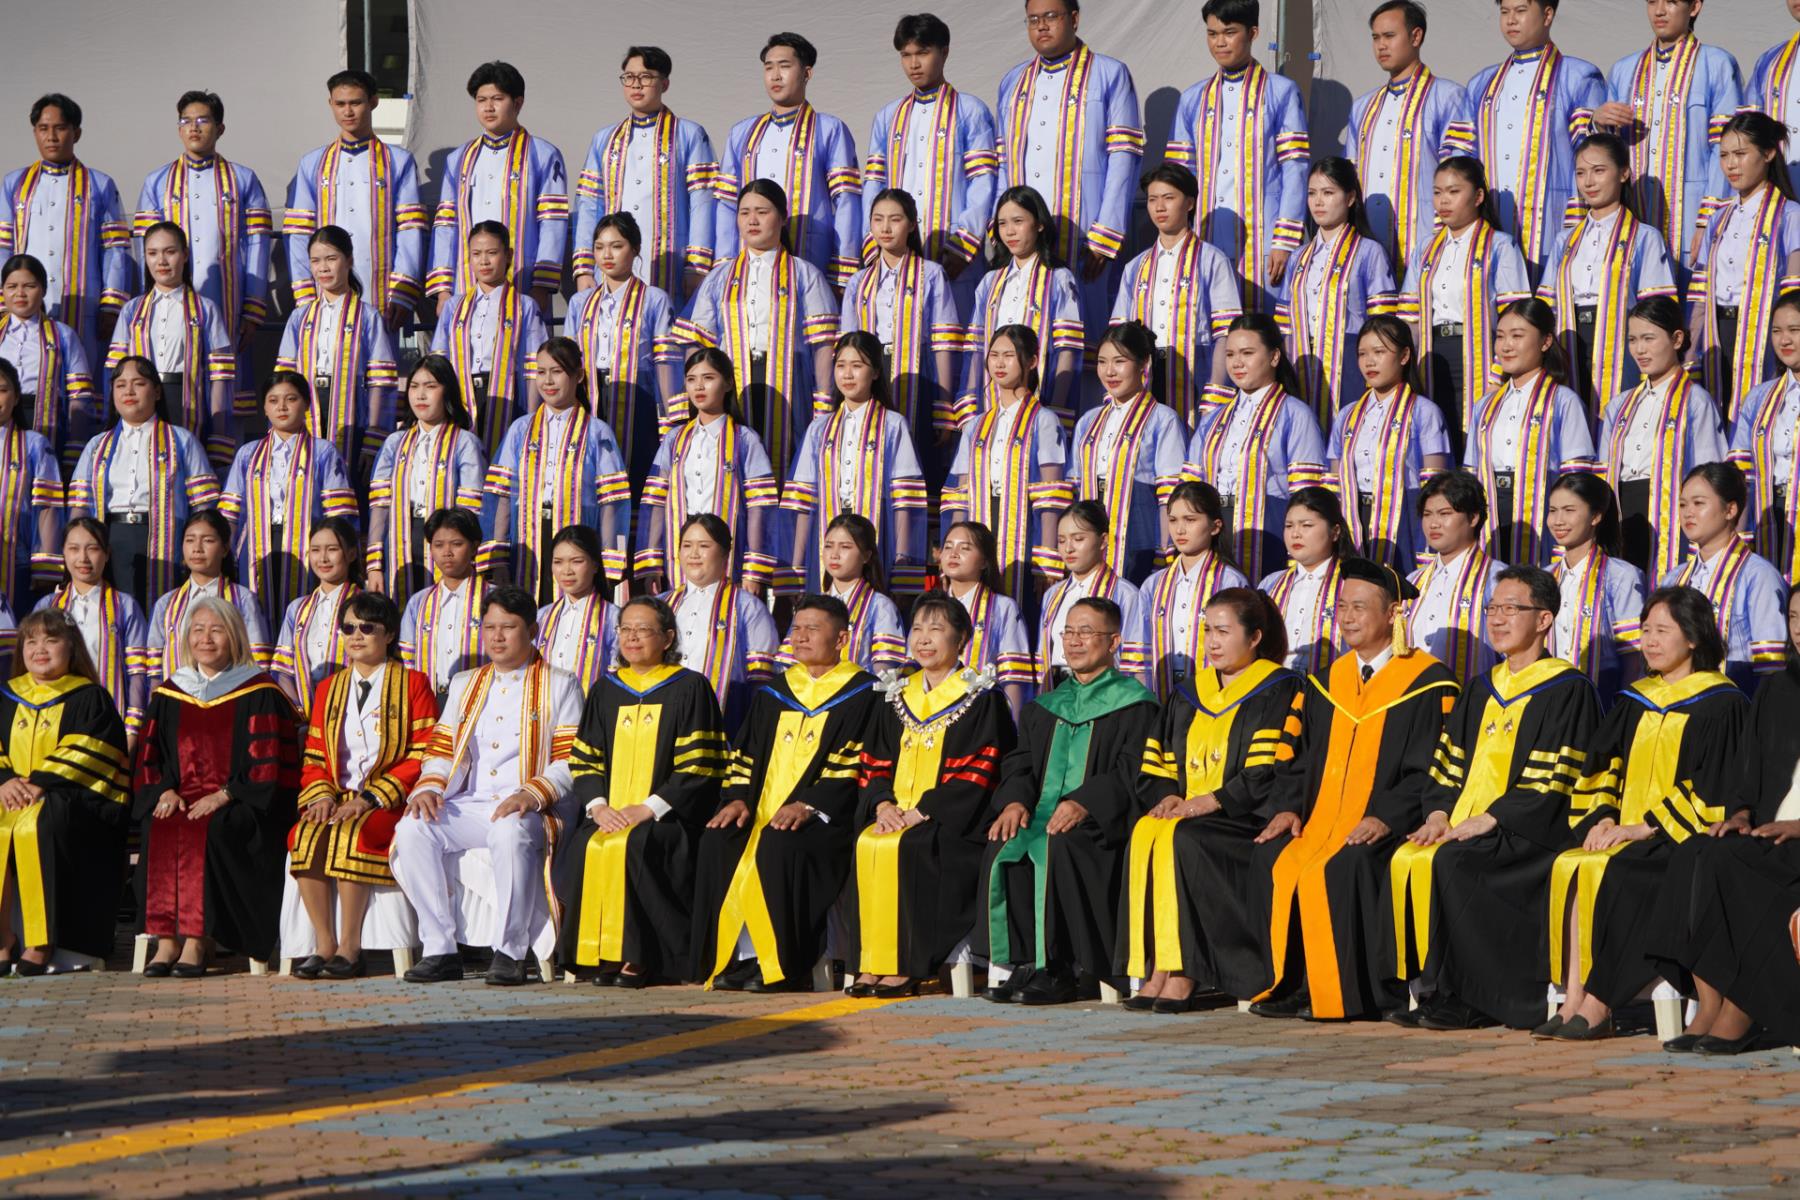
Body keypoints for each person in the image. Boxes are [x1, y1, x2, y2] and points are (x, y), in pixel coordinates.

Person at [1385, 565, 1600, 1030]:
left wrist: (1493, 818)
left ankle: (1478, 999)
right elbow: (1447, 762)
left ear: (1544, 619)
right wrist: (1438, 814)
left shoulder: (1568, 689)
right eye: (1492, 608)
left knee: (1455, 862)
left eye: (1511, 608)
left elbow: (1556, 779)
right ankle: (1433, 990)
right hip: (1469, 823)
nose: (1497, 619)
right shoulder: (1482, 687)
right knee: (1411, 854)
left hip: (1530, 830)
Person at [1247, 557, 1457, 1020]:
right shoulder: (1326, 682)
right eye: (1342, 606)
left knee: (1349, 864)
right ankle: (1294, 984)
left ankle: (1354, 995)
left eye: (1359, 607)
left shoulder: (1428, 683)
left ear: (1393, 614)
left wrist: (1387, 817)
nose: (1346, 617)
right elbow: (1295, 758)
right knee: (1272, 856)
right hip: (1318, 819)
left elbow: (1433, 770)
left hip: (1390, 821)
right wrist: (1288, 808)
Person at [1541, 585, 1743, 1041]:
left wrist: (1644, 827)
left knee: (1622, 871)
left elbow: (1714, 787)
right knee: (1572, 864)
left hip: (1678, 839)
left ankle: (1599, 1003)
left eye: (1662, 631)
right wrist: (1603, 819)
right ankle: (1573, 996)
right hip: (1624, 831)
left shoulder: (1721, 703)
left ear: (1693, 637)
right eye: (1646, 630)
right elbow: (1601, 767)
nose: (1649, 641)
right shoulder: (1636, 699)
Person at [391, 586, 583, 985]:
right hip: (474, 802)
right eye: (489, 627)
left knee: (509, 832)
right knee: (413, 828)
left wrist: (531, 793)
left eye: (508, 627)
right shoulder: (466, 682)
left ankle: (511, 952)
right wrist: (429, 788)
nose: (496, 636)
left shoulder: (561, 682)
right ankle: (440, 949)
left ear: (531, 630)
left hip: (533, 806)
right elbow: (443, 747)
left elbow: (570, 759)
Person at [1125, 587, 1299, 1011]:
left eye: (1223, 631)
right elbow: (1158, 759)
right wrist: (1168, 796)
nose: (1212, 642)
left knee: (1185, 838)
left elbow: (1268, 768)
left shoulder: (1279, 688)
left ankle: (1187, 969)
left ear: (1254, 637)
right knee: (1149, 829)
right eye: (1207, 631)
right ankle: (1160, 964)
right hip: (1192, 812)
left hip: (1247, 816)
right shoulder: (1190, 692)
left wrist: (1215, 800)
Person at [978, 594, 1156, 1004]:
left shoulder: (1135, 706)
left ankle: (1063, 968)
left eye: (1086, 632)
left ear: (1113, 642)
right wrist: (1014, 802)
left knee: (1060, 844)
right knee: (1007, 839)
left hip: (1099, 822)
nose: (1074, 641)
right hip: (1042, 814)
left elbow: (1132, 771)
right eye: (1068, 632)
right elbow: (1020, 763)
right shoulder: (1045, 706)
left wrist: (1085, 802)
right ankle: (1025, 961)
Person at [695, 594, 877, 991]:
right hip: (761, 809)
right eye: (796, 628)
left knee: (780, 843)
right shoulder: (775, 692)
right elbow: (744, 754)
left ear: (841, 639)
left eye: (813, 629)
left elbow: (857, 766)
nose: (801, 636)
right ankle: (733, 958)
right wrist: (738, 798)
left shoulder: (865, 694)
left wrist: (810, 804)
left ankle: (781, 964)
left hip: (829, 817)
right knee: (718, 838)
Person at [1648, 589, 1800, 1053]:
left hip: (1796, 837)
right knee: (1697, 851)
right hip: (1771, 832)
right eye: (1794, 617)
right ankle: (1709, 1001)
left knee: (1734, 866)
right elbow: (1748, 769)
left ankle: (1743, 1007)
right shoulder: (1778, 689)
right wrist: (1740, 813)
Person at [848, 591, 1015, 996]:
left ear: (961, 640)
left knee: (915, 846)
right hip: (895, 813)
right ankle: (871, 961)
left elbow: (980, 769)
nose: (923, 638)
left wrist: (922, 811)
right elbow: (874, 760)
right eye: (917, 628)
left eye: (936, 629)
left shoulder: (980, 697)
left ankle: (907, 965)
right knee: (867, 840)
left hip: (953, 821)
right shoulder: (894, 694)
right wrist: (883, 804)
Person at [558, 595, 727, 985]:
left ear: (667, 638)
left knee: (638, 843)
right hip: (611, 812)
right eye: (626, 629)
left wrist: (649, 808)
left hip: (670, 816)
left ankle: (643, 956)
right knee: (586, 843)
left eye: (643, 630)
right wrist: (599, 806)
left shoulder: (690, 687)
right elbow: (585, 759)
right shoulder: (606, 688)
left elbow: (701, 765)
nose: (632, 638)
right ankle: (600, 952)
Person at [133, 597, 299, 976]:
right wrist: (163, 790)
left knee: (209, 830)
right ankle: (166, 940)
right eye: (197, 630)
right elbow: (150, 755)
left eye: (216, 630)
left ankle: (198, 941)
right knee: (160, 825)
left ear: (235, 636)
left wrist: (225, 794)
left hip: (240, 801)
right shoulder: (172, 692)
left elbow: (267, 764)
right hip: (182, 796)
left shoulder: (258, 691)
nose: (205, 639)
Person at [287, 592, 436, 980]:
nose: (356, 635)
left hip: (389, 800)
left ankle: (350, 948)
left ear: (389, 635)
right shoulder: (328, 688)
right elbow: (315, 754)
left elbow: (423, 752)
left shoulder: (413, 683)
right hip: (338, 796)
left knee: (350, 831)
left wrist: (370, 798)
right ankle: (324, 944)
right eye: (349, 627)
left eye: (367, 627)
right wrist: (321, 795)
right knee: (305, 832)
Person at [997, 0, 1143, 338]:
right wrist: (1002, 226)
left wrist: (1106, 234)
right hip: (1024, 237)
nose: (1041, 25)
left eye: (1051, 16)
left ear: (1074, 19)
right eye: (1033, 19)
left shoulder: (1109, 73)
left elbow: (1124, 157)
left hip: (1086, 236)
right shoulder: (1013, 81)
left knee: (1084, 332)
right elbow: (1003, 163)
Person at [676, 180, 839, 479]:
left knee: (791, 459)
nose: (752, 220)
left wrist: (824, 399)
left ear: (783, 217)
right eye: (744, 212)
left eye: (762, 212)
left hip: (791, 382)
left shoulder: (804, 274)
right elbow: (697, 343)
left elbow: (823, 344)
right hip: (733, 383)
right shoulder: (720, 277)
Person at [0, 608, 131, 974]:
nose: (40, 649)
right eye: (31, 641)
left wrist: (40, 782)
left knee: (42, 819)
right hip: (10, 793)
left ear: (71, 648)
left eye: (51, 640)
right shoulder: (7, 695)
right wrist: (5, 780)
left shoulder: (90, 697)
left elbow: (92, 751)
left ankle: (42, 941)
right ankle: (3, 937)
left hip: (72, 799)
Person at [133, 88, 273, 412]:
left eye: (203, 120)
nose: (193, 128)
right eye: (186, 121)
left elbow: (258, 244)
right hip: (168, 302)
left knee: (224, 387)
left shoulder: (243, 179)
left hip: (227, 301)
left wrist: (252, 307)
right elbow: (144, 251)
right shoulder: (157, 182)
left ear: (220, 128)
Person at [1167, 0, 1306, 315]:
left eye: (1229, 32)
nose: (1219, 42)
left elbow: (1295, 170)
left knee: (1268, 327)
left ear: (1253, 32)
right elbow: (1178, 177)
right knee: (1209, 322)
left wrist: (1284, 240)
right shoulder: (1192, 99)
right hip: (1206, 234)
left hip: (1265, 236)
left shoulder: (1281, 91)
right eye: (1212, 33)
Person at [862, 13, 998, 314]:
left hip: (955, 254)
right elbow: (874, 184)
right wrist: (873, 242)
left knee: (956, 331)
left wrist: (964, 244)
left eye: (922, 53)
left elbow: (984, 183)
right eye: (906, 55)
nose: (914, 64)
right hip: (897, 250)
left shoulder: (970, 111)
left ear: (944, 52)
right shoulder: (888, 116)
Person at [1397, 157, 1532, 453]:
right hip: (1432, 358)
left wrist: (1499, 372)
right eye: (1437, 192)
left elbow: (1517, 318)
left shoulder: (1500, 245)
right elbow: (1410, 319)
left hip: (1479, 356)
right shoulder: (1425, 249)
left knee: (1476, 440)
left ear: (1478, 196)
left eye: (1454, 191)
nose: (1443, 201)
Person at [1597, 0, 1742, 273]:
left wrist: (1709, 219)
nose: (1659, 11)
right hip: (1634, 216)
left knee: (1694, 295)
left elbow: (1728, 149)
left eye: (1671, 2)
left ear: (1694, 7)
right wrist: (1599, 124)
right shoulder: (1624, 70)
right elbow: (1608, 153)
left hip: (1691, 217)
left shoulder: (1717, 64)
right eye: (1652, 2)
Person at [1466, 0, 1605, 284]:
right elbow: (1463, 158)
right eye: (1504, 12)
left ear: (1547, 14)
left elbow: (1593, 155)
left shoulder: (1578, 76)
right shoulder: (1481, 83)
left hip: (1553, 220)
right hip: (1491, 223)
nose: (1511, 20)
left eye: (1520, 11)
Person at [1536, 134, 1679, 411]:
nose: (1588, 182)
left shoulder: (1644, 237)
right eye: (1581, 173)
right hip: (1568, 339)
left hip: (1621, 343)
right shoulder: (1564, 240)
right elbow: (1546, 304)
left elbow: (1658, 310)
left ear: (1623, 173)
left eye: (1599, 171)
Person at [483, 336, 630, 602]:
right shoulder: (520, 429)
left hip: (577, 535)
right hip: (528, 538)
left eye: (557, 371)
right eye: (541, 372)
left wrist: (609, 561)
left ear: (579, 376)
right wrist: (499, 555)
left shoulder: (597, 432)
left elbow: (611, 502)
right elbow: (502, 494)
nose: (548, 381)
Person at [66, 357, 219, 610]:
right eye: (120, 385)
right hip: (111, 537)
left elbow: (204, 506)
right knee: (114, 611)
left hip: (166, 538)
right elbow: (80, 507)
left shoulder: (182, 440)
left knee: (161, 609)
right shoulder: (97, 445)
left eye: (138, 384)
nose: (128, 391)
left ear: (157, 391)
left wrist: (193, 546)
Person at [715, 33, 861, 293]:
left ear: (807, 73)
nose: (775, 76)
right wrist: (724, 264)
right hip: (748, 260)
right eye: (768, 67)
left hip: (811, 255)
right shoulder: (741, 133)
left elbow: (846, 202)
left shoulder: (829, 129)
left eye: (784, 66)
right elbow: (727, 203)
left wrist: (842, 269)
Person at [782, 330, 927, 594]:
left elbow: (906, 501)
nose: (847, 374)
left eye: (857, 366)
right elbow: (802, 501)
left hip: (878, 528)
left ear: (875, 372)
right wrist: (796, 566)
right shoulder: (819, 428)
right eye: (841, 365)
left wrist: (902, 560)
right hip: (827, 530)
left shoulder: (893, 425)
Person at [1186, 313, 1327, 583]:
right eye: (1230, 354)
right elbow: (1191, 485)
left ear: (1274, 357)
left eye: (1247, 353)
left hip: (1268, 525)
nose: (1237, 363)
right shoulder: (1214, 419)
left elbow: (1307, 495)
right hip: (1216, 525)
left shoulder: (1296, 414)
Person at [572, 46, 717, 306]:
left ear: (665, 83)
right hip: (612, 264)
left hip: (672, 263)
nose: (636, 85)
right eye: (629, 77)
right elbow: (589, 205)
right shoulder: (605, 139)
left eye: (646, 77)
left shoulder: (688, 134)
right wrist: (584, 268)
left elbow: (703, 203)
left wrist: (696, 266)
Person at [283, 69, 428, 326]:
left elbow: (410, 230)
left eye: (356, 103)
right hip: (323, 291)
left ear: (373, 102)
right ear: (330, 104)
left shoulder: (399, 161)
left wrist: (403, 292)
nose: (347, 111)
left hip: (381, 291)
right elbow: (298, 233)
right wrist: (304, 293)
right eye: (340, 104)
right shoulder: (312, 163)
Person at [941, 325, 1070, 607]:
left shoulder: (1044, 420)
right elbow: (959, 494)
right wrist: (952, 548)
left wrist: (1048, 556)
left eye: (1009, 356)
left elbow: (1051, 495)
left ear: (1032, 361)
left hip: (1026, 526)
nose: (999, 363)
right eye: (994, 355)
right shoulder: (975, 426)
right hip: (981, 518)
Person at [1344, 1, 1475, 281]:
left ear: (1416, 36)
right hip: (1368, 250)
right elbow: (1349, 180)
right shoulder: (1362, 107)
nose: (1381, 45)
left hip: (1427, 244)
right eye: (1376, 38)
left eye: (1390, 36)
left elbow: (1460, 176)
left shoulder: (1448, 96)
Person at [1463, 298, 1597, 566]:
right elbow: (1471, 470)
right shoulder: (1484, 406)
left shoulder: (1564, 401)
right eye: (1500, 336)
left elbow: (1577, 477)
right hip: (1491, 506)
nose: (1506, 346)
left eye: (1517, 336)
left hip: (1543, 504)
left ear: (1545, 342)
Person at [218, 371, 359, 626]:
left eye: (291, 399)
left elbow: (339, 515)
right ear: (264, 408)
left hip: (307, 545)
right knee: (256, 616)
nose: (281, 407)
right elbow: (229, 513)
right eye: (273, 401)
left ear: (307, 404)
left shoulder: (323, 451)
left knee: (302, 614)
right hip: (257, 545)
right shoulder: (248, 453)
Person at [1599, 294, 1726, 577]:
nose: (1639, 349)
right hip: (1623, 511)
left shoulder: (1696, 401)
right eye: (1633, 340)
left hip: (1670, 512)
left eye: (1649, 338)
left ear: (1677, 339)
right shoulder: (1619, 405)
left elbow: (1709, 472)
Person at [426, 61, 567, 312]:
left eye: (497, 99)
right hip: (466, 285)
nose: (488, 107)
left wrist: (541, 285)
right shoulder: (458, 158)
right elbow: (446, 225)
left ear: (518, 103)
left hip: (523, 283)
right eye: (481, 100)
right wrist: (443, 291)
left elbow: (552, 224)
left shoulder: (543, 154)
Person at [0, 94, 132, 360]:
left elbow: (116, 250)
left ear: (76, 133)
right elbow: (3, 247)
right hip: (25, 305)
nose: (51, 137)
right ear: (35, 132)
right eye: (43, 128)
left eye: (60, 128)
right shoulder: (14, 184)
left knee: (82, 372)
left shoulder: (100, 184)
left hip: (85, 308)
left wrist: (111, 305)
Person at [639, 347, 779, 593]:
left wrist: (753, 569)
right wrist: (652, 561)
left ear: (728, 383)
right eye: (691, 379)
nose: (699, 387)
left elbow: (760, 507)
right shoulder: (674, 439)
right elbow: (656, 501)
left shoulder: (745, 439)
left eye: (708, 378)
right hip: (681, 552)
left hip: (729, 553)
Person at [1110, 163, 1241, 424]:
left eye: (1168, 198)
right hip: (1145, 374)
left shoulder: (1212, 259)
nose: (1159, 207)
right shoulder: (1135, 266)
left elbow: (1226, 333)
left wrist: (1216, 388)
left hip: (1196, 371)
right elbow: (1119, 335)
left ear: (1189, 203)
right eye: (1152, 199)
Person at [1690, 111, 1800, 419]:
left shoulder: (1789, 215)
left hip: (1764, 334)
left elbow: (1794, 290)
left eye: (1740, 154)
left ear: (1768, 153)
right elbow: (1699, 294)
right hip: (1717, 332)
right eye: (1724, 155)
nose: (1731, 165)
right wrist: (1691, 347)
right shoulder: (1718, 219)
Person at [274, 224, 401, 477]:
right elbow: (284, 379)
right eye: (315, 261)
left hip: (354, 413)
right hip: (307, 410)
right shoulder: (300, 317)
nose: (323, 268)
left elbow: (382, 382)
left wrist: (374, 438)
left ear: (349, 260)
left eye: (331, 259)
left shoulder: (368, 316)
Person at [840, 188, 962, 450]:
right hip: (871, 373)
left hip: (920, 371)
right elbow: (847, 344)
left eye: (895, 219)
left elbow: (944, 344)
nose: (885, 228)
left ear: (912, 224)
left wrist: (944, 403)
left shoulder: (931, 274)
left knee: (916, 448)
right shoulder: (858, 281)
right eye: (878, 219)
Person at [1327, 316, 1452, 570]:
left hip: (1405, 515)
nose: (1369, 361)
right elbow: (1333, 479)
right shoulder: (1347, 415)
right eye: (1362, 354)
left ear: (1404, 356)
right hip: (1354, 515)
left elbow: (1437, 485)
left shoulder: (1425, 412)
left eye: (1379, 352)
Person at [107, 221, 236, 468]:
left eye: (170, 252)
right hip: (142, 399)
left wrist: (219, 431)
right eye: (153, 253)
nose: (161, 261)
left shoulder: (206, 309)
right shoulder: (131, 310)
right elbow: (116, 371)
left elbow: (221, 377)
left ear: (185, 255)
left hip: (186, 401)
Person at [1067, 321, 1187, 583]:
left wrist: (1165, 550)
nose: (1109, 371)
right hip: (1091, 525)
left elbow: (1169, 495)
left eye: (1120, 361)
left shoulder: (1163, 419)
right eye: (1102, 362)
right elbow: (1073, 487)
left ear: (1144, 363)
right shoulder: (1088, 420)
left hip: (1139, 527)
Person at [565, 213, 680, 484]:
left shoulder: (654, 299)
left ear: (635, 248)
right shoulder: (580, 302)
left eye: (617, 246)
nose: (607, 255)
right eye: (599, 247)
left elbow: (665, 363)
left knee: (638, 474)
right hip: (591, 396)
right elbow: (567, 359)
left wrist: (672, 420)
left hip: (639, 398)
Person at [1280, 158, 1397, 422]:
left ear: (1351, 197)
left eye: (1328, 192)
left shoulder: (1369, 252)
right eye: (1312, 193)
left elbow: (1383, 324)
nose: (1318, 202)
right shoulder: (1297, 257)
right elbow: (1284, 324)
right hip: (1301, 360)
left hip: (1349, 359)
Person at [366, 356, 488, 609]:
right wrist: (375, 565)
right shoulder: (394, 443)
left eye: (430, 386)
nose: (420, 395)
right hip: (401, 539)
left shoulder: (465, 442)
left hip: (446, 542)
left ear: (447, 391)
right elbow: (380, 506)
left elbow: (471, 510)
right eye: (414, 386)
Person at [957, 186, 1084, 424]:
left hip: (1040, 398)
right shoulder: (990, 281)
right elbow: (975, 347)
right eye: (1002, 224)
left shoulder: (1059, 278)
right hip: (991, 400)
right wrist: (970, 402)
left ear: (1039, 224)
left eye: (1018, 221)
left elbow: (1068, 347)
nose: (1009, 231)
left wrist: (1057, 407)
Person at [1661, 462, 1789, 692]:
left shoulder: (1759, 576)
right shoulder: (1673, 579)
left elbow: (1771, 668)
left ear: (1730, 510)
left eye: (1699, 503)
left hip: (1737, 702)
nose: (1688, 512)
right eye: (1682, 504)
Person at [430, 221, 550, 457]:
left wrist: (532, 416)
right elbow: (438, 362)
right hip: (461, 395)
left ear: (508, 255)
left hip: (508, 396)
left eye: (492, 253)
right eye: (476, 254)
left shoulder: (524, 305)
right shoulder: (454, 306)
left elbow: (534, 366)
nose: (484, 261)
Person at [662, 514, 780, 734]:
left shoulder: (748, 607)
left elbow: (762, 682)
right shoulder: (661, 605)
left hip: (724, 726)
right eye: (687, 545)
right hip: (662, 721)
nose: (694, 554)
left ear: (725, 553)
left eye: (704, 546)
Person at [35, 518, 150, 737]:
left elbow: (137, 673)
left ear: (107, 554)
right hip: (54, 719)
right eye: (74, 549)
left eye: (93, 549)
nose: (83, 558)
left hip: (108, 721)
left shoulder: (125, 606)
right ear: (63, 552)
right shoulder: (47, 606)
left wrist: (132, 730)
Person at [1546, 471, 1647, 705]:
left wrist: (1622, 713)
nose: (1558, 520)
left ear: (1595, 516)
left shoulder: (1622, 576)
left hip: (1601, 700)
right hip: (1548, 701)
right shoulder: (1544, 576)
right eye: (1552, 510)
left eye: (1569, 510)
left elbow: (1633, 656)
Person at [1142, 480, 1250, 699]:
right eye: (1173, 520)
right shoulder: (1153, 584)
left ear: (1215, 526)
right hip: (1161, 694)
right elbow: (1140, 651)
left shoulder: (1230, 581)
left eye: (1190, 520)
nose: (1179, 529)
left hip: (1218, 695)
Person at [0, 252, 100, 468]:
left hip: (45, 422)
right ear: (2, 291)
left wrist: (75, 446)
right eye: (12, 286)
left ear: (43, 290)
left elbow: (80, 396)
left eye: (29, 286)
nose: (20, 293)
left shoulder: (63, 335)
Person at [146, 510, 270, 683]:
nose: (197, 549)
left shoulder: (243, 599)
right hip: (177, 694)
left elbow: (258, 660)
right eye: (190, 540)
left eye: (208, 540)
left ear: (225, 548)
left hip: (230, 693)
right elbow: (154, 669)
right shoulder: (166, 603)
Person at [1036, 501, 1149, 688]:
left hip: (1104, 692)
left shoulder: (1125, 594)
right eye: (1062, 540)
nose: (1068, 548)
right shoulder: (1052, 594)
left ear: (1103, 540)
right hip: (1058, 691)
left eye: (1078, 539)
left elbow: (1136, 664)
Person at [1410, 471, 1508, 683]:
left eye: (1444, 513)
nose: (1433, 524)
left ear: (1473, 518)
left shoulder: (1499, 580)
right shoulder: (1413, 581)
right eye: (1427, 514)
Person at [1730, 289, 1800, 581]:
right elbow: (1740, 470)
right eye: (1776, 331)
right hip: (1769, 514)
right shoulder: (1759, 398)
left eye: (1795, 330)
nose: (1784, 340)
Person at [938, 520, 1036, 717]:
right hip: (933, 712)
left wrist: (1012, 727)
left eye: (965, 548)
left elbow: (1013, 676)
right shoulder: (931, 607)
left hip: (982, 714)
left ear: (984, 561)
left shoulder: (1003, 607)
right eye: (948, 547)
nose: (953, 553)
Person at [270, 517, 361, 718]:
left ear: (352, 553)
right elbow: (283, 670)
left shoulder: (366, 605)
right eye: (315, 550)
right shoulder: (297, 608)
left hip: (353, 714)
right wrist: (301, 714)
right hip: (305, 719)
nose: (323, 558)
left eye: (332, 549)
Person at [800, 513, 907, 678]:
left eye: (845, 547)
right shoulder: (812, 605)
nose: (834, 554)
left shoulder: (880, 606)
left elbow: (886, 671)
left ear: (866, 556)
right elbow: (791, 661)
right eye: (828, 546)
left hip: (861, 692)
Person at [399, 508, 487, 703]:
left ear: (474, 547)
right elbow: (407, 659)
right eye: (438, 545)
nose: (447, 553)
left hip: (481, 699)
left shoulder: (493, 598)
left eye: (457, 544)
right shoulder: (418, 602)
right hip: (429, 699)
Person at [1259, 486, 1348, 675]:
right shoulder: (1270, 584)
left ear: (1335, 531)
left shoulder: (1351, 583)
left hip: (1331, 685)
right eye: (1289, 526)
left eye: (1306, 525)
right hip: (1276, 685)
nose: (1295, 534)